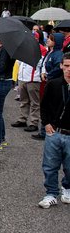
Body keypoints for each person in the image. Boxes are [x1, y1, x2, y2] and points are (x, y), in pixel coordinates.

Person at [37, 53, 70, 208]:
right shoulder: (54, 84)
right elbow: (43, 105)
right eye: (67, 66)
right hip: (55, 132)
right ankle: (51, 193)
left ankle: (67, 187)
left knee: (69, 166)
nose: (69, 70)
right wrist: (46, 123)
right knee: (50, 165)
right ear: (61, 66)